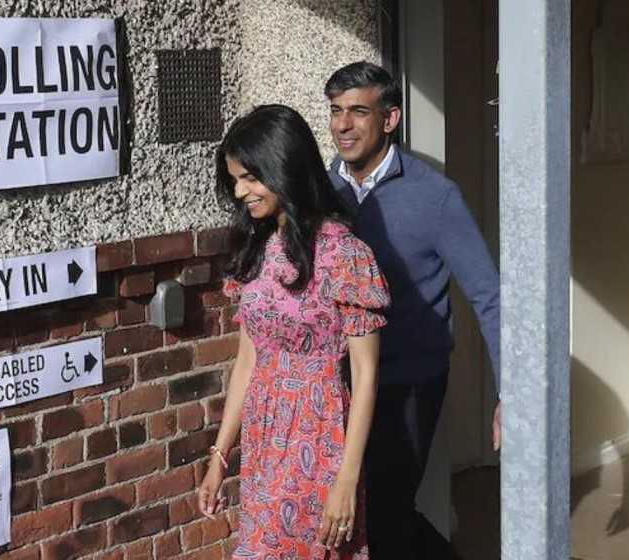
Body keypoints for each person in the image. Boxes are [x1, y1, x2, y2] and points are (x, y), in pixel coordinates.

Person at [323, 61, 502, 558]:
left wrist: (511, 391)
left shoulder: (435, 196)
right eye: (336, 111)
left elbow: (489, 295)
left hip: (408, 382)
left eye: (358, 111)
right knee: (350, 510)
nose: (342, 125)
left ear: (390, 118)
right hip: (335, 384)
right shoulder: (320, 192)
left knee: (385, 512)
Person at [197, 104, 390, 560]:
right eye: (235, 180)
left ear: (283, 168)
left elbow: (365, 375)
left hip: (319, 434)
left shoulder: (346, 255)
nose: (241, 191)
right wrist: (220, 457)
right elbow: (249, 361)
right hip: (265, 438)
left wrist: (346, 478)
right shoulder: (257, 252)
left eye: (250, 177)